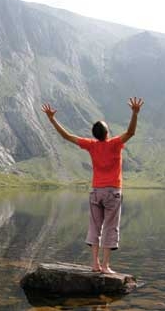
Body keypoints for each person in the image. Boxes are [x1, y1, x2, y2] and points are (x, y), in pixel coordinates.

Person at [41, 97, 144, 274]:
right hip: (113, 192)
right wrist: (134, 114)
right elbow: (131, 132)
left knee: (95, 226)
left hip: (96, 192)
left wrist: (52, 119)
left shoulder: (91, 145)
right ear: (107, 133)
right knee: (110, 226)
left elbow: (66, 136)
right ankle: (105, 266)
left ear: (95, 135)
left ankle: (94, 264)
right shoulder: (115, 143)